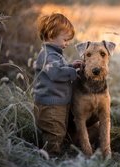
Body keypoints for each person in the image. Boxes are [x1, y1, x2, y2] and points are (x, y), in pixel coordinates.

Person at [33, 13, 82, 156]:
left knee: (58, 130)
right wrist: (74, 72)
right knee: (55, 132)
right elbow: (56, 73)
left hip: (56, 103)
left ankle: (50, 151)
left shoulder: (54, 53)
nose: (67, 43)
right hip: (50, 105)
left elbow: (58, 68)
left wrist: (71, 66)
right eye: (65, 39)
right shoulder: (49, 55)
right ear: (51, 35)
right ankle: (51, 157)